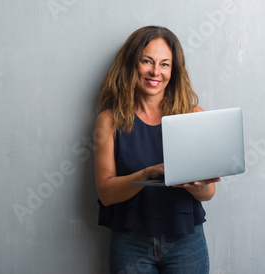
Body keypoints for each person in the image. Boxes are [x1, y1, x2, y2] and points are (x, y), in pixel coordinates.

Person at [94, 26, 221, 274]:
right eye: (147, 61)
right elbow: (106, 194)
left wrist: (197, 185)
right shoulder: (109, 120)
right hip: (131, 242)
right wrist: (146, 174)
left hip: (186, 241)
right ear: (132, 64)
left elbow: (209, 193)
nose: (156, 72)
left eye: (165, 64)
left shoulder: (194, 116)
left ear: (173, 71)